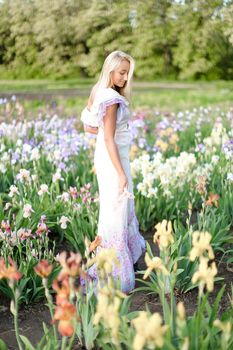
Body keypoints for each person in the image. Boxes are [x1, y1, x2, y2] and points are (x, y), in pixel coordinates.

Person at [80, 50, 146, 293]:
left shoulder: (99, 92)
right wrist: (120, 174)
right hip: (114, 160)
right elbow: (107, 137)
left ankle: (116, 261)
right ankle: (115, 272)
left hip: (109, 156)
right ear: (110, 70)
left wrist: (114, 136)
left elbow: (90, 127)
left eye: (128, 73)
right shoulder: (111, 98)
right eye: (122, 72)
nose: (125, 78)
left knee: (114, 209)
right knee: (117, 210)